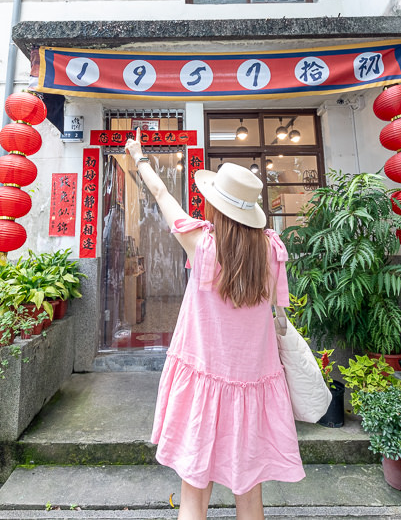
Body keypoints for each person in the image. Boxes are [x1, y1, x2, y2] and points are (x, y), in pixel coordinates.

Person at [124, 129, 304, 520]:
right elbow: (279, 313)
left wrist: (138, 156)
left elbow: (161, 195)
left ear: (216, 208)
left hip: (203, 380)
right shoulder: (272, 250)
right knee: (249, 493)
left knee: (194, 491)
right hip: (253, 383)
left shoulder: (202, 245)